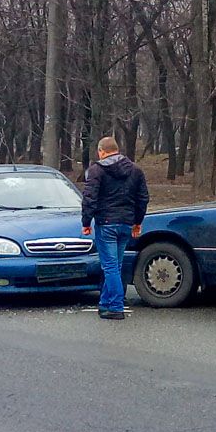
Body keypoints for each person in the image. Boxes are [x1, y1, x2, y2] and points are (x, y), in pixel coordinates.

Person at [81, 136, 150, 320]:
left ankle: (116, 306)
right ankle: (105, 304)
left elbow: (89, 198)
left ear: (101, 151)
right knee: (115, 266)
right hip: (126, 224)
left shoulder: (96, 170)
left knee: (110, 267)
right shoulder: (135, 170)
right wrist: (137, 222)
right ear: (117, 150)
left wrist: (86, 223)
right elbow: (143, 198)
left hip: (106, 223)